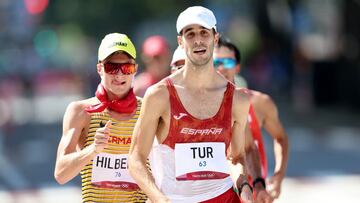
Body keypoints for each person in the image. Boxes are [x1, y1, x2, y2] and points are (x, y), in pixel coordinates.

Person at [129, 6, 254, 203]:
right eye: (190, 34)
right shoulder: (159, 96)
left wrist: (244, 186)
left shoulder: (238, 99)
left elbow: (236, 157)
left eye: (204, 32)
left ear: (215, 38)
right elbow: (135, 160)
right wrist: (160, 199)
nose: (198, 40)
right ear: (180, 41)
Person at [54, 33, 147, 202]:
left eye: (127, 68)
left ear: (136, 69)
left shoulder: (148, 110)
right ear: (99, 69)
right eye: (112, 67)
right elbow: (61, 173)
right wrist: (93, 150)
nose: (119, 75)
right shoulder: (81, 111)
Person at [214, 36, 289, 200]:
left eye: (227, 63)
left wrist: (278, 176)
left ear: (238, 67)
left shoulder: (259, 102)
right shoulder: (199, 105)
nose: (220, 68)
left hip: (254, 191)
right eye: (215, 63)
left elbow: (280, 138)